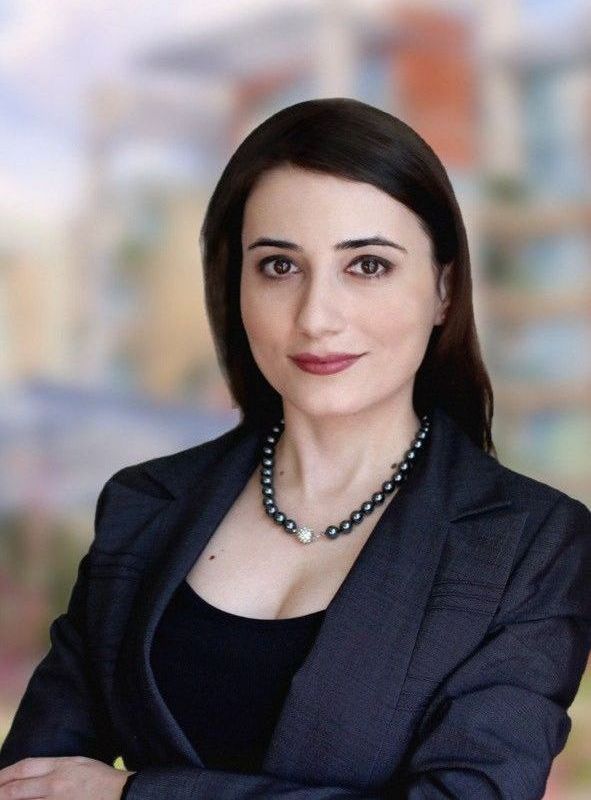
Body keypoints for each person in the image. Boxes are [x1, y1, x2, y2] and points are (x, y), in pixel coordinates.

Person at [0, 97, 589, 800]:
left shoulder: (531, 545)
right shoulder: (144, 504)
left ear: (442, 287)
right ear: (236, 285)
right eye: (279, 266)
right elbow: (30, 784)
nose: (315, 317)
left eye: (366, 266)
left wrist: (133, 794)